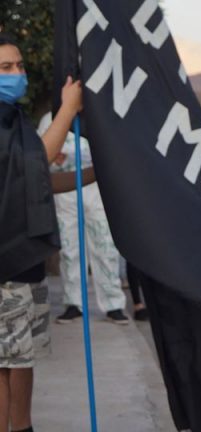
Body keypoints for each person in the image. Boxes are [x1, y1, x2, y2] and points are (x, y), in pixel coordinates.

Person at [0, 33, 82, 432]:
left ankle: (23, 426)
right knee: (2, 361)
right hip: (5, 262)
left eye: (19, 66)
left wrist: (98, 177)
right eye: (5, 68)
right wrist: (66, 111)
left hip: (24, 262)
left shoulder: (15, 119)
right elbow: (37, 162)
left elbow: (37, 180)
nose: (17, 74)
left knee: (21, 357)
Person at [38, 113, 129, 325]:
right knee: (70, 248)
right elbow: (39, 155)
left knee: (105, 245)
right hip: (64, 191)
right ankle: (73, 303)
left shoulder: (97, 113)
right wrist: (56, 159)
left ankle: (113, 304)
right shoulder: (50, 119)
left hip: (96, 190)